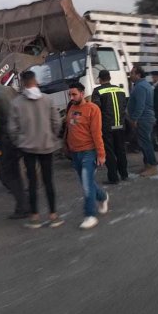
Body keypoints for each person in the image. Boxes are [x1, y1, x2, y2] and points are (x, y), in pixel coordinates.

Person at [9, 71, 63, 229]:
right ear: (35, 81)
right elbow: (57, 122)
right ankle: (53, 215)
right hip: (46, 146)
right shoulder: (47, 99)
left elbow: (12, 129)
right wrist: (51, 136)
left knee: (32, 182)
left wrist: (20, 141)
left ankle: (35, 217)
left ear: (23, 83)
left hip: (28, 148)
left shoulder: (16, 103)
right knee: (48, 181)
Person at [0, 70, 29, 219]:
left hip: (8, 140)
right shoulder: (10, 90)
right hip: (21, 135)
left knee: (7, 173)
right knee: (17, 170)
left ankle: (23, 206)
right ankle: (26, 202)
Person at [66, 82, 108, 229]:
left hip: (89, 152)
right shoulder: (71, 108)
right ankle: (102, 196)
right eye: (70, 94)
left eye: (74, 94)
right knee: (87, 182)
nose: (71, 97)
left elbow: (97, 133)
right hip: (75, 153)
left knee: (86, 183)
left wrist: (101, 154)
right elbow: (70, 129)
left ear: (82, 94)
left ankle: (90, 215)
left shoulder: (92, 109)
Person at [91, 70, 128, 184]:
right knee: (121, 150)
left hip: (107, 127)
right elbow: (124, 106)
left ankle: (113, 177)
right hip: (120, 125)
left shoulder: (98, 91)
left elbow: (95, 109)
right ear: (110, 77)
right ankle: (124, 174)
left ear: (100, 79)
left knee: (109, 152)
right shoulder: (120, 90)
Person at [128, 65, 158, 177]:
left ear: (138, 75)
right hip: (145, 118)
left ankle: (153, 166)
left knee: (146, 143)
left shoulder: (140, 87)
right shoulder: (144, 85)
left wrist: (134, 118)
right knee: (144, 142)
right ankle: (148, 165)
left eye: (132, 73)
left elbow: (140, 105)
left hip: (143, 119)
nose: (130, 75)